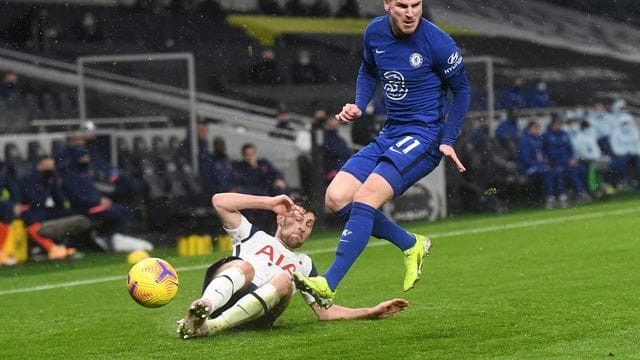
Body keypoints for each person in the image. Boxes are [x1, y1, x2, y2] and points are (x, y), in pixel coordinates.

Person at [293, 0, 471, 306]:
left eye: (416, 4)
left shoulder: (437, 42)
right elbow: (368, 68)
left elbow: (463, 90)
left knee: (365, 197)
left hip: (424, 137)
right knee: (336, 198)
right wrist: (359, 104)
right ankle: (410, 243)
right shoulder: (374, 32)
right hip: (390, 134)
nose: (411, 12)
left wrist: (448, 138)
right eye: (402, 5)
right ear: (387, 4)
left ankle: (328, 283)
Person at [176, 192, 409, 338]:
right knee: (245, 266)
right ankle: (203, 308)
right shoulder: (251, 235)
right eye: (298, 219)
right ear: (280, 217)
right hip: (227, 293)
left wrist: (369, 312)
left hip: (258, 315)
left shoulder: (305, 264)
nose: (302, 227)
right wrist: (269, 203)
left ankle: (211, 326)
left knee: (286, 278)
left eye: (308, 224)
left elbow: (325, 312)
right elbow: (220, 202)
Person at [62, 146, 153, 252]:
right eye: (82, 157)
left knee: (124, 210)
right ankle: (104, 235)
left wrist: (102, 199)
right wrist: (98, 201)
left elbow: (93, 191)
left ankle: (108, 235)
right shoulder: (71, 176)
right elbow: (77, 197)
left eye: (86, 156)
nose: (86, 159)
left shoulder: (86, 174)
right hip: (83, 208)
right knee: (115, 212)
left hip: (96, 204)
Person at [20, 155, 77, 260]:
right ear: (38, 166)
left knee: (70, 214)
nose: (49, 169)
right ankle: (47, 248)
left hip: (47, 210)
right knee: (34, 220)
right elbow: (34, 200)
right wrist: (47, 186)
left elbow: (59, 199)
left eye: (51, 166)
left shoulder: (51, 178)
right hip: (31, 210)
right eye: (46, 166)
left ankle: (64, 244)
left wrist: (55, 185)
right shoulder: (28, 178)